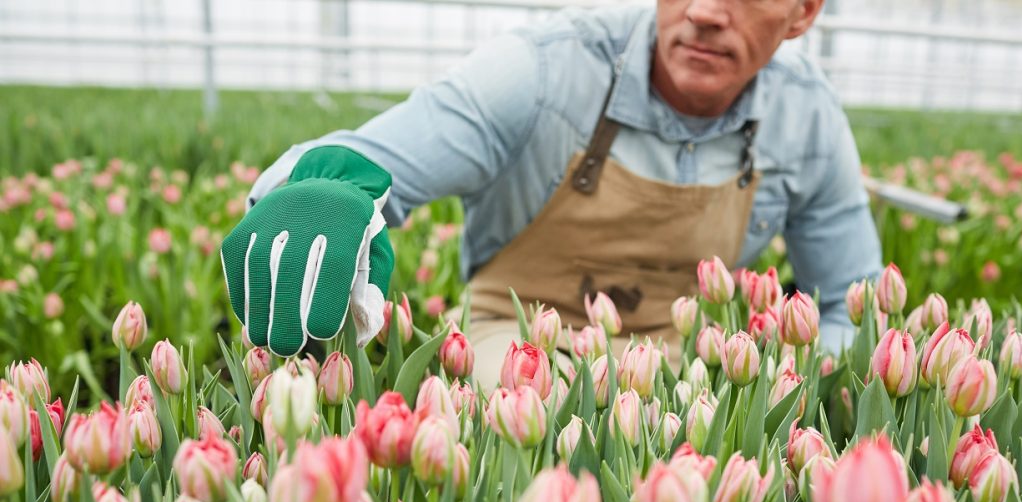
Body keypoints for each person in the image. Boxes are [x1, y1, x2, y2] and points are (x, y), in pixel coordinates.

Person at [221, 0, 882, 386]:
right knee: (536, 417)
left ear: (804, 12)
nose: (707, 11)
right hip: (518, 344)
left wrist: (790, 387)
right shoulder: (544, 69)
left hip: (693, 360)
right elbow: (370, 162)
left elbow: (852, 306)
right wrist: (316, 193)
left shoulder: (807, 116)